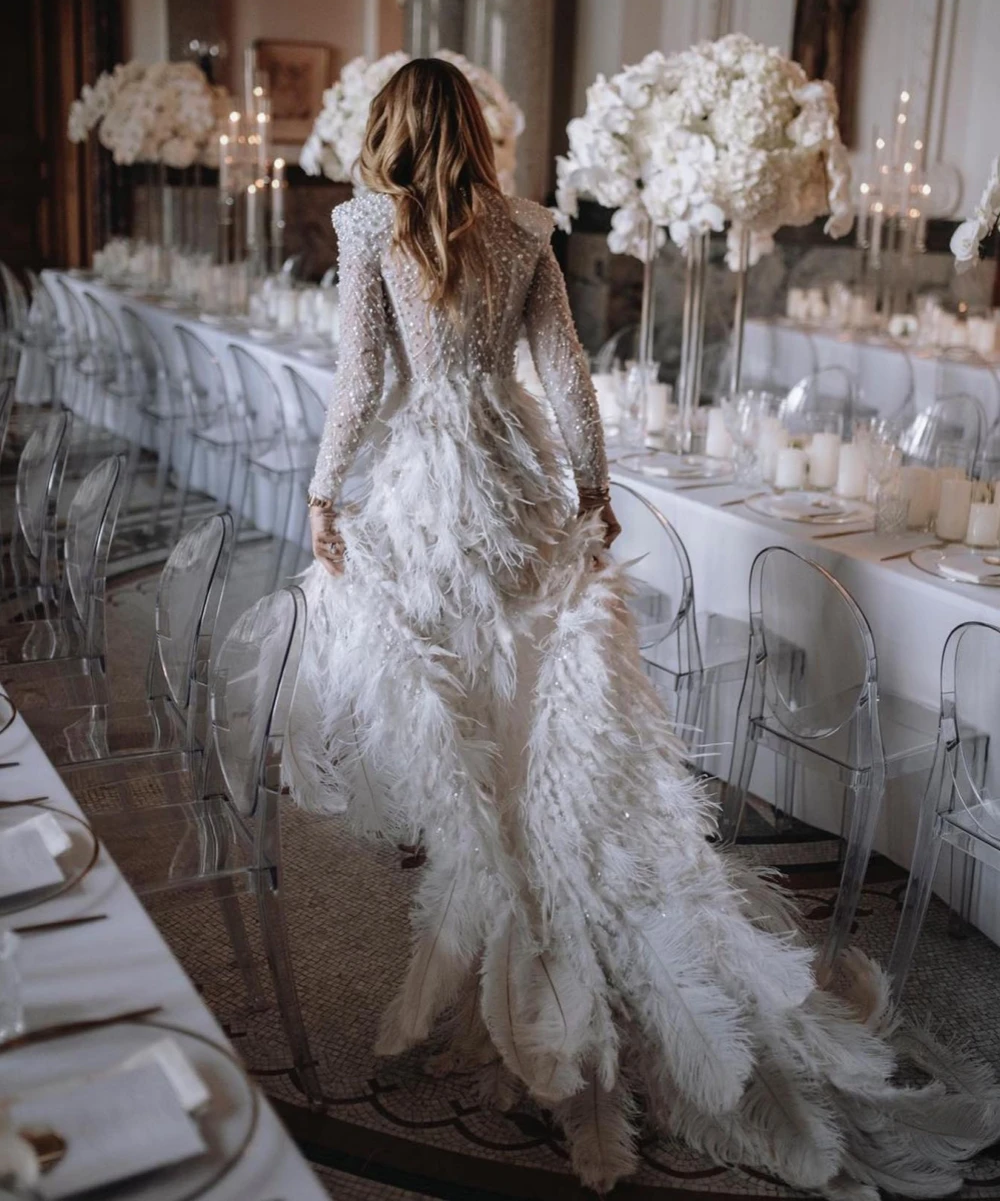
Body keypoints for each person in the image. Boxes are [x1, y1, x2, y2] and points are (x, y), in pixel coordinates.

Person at [287, 58, 999, 1196]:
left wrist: (326, 492)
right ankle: (542, 945)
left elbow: (361, 380)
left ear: (386, 129)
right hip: (517, 493)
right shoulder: (523, 225)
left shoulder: (370, 225)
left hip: (431, 506)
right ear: (473, 126)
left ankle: (512, 946)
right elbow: (566, 373)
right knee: (544, 741)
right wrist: (592, 490)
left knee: (482, 755)